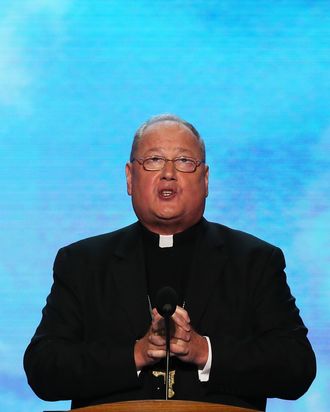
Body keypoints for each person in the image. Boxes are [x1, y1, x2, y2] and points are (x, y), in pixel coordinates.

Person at [24, 114, 316, 411]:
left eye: (184, 162)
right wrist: (135, 354)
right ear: (129, 177)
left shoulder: (254, 261)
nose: (168, 174)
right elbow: (43, 368)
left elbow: (297, 366)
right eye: (153, 160)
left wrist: (205, 352)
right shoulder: (82, 263)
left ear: (205, 180)